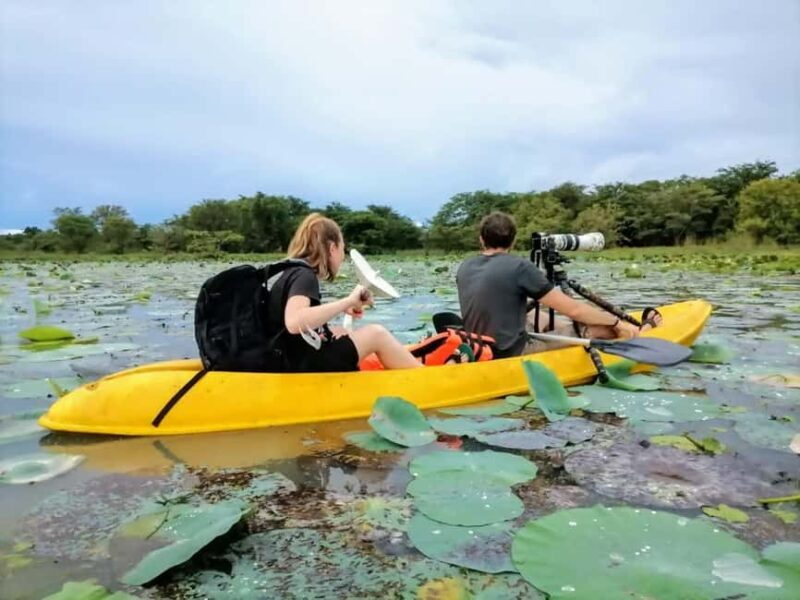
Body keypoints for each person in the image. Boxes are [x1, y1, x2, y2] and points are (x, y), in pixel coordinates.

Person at [456, 212, 662, 358]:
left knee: (538, 315)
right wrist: (616, 323)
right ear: (513, 240)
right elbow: (574, 309)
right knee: (598, 327)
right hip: (511, 352)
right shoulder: (519, 267)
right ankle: (632, 332)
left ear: (481, 239)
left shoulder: (465, 266)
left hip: (478, 346)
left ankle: (567, 330)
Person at [278, 213, 421, 372]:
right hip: (301, 365)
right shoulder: (305, 276)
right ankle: (427, 378)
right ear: (332, 248)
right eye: (342, 250)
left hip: (291, 358)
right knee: (376, 333)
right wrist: (347, 301)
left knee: (341, 331)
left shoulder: (290, 272)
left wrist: (338, 316)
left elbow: (292, 326)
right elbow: (293, 323)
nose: (343, 258)